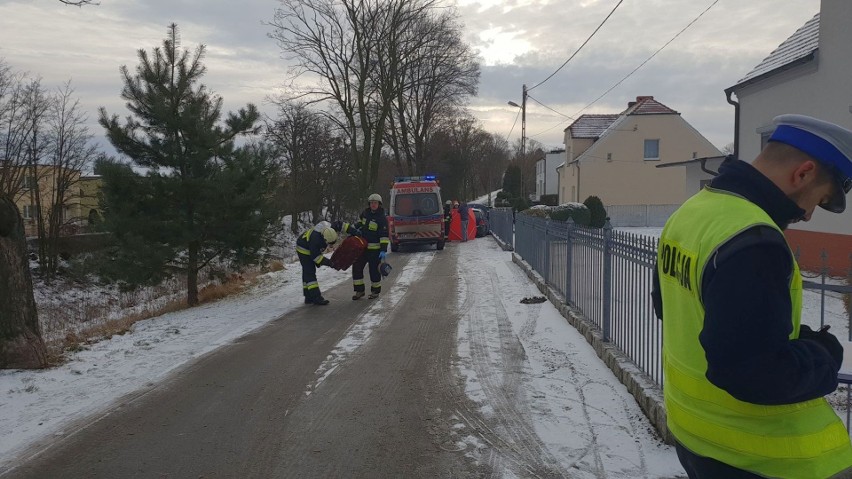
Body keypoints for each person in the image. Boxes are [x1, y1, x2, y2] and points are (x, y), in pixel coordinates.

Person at [653, 114, 852, 479]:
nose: (808, 216)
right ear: (803, 173)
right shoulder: (755, 240)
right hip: (765, 460)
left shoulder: (692, 212)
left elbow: (670, 307)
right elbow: (754, 373)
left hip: (695, 436)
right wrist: (824, 353)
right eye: (818, 200)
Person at [352, 193, 389, 300]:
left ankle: (375, 292)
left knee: (374, 271)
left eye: (375, 203)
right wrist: (356, 229)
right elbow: (360, 223)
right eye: (371, 203)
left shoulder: (382, 218)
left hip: (375, 250)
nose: (373, 205)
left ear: (379, 204)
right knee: (357, 268)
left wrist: (383, 250)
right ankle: (359, 291)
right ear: (369, 204)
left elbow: (384, 236)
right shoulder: (365, 213)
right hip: (362, 248)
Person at [295, 221, 339, 306]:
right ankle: (316, 298)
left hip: (308, 245)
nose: (330, 245)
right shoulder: (316, 239)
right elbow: (316, 257)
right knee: (310, 272)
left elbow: (318, 252)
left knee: (307, 272)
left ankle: (308, 297)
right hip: (303, 249)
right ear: (325, 238)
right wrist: (330, 263)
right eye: (329, 243)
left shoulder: (328, 231)